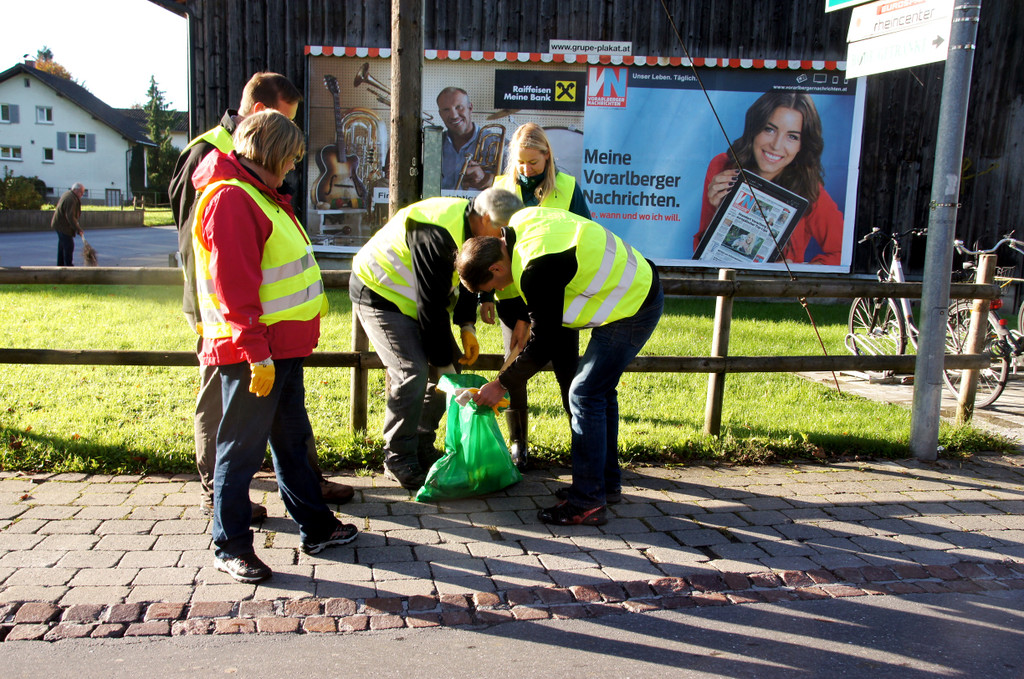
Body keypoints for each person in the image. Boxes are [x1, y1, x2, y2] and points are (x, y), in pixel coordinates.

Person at [168, 72, 353, 519]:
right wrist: (222, 316)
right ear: (260, 118)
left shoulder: (257, 175)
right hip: (232, 319)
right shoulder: (210, 155)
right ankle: (220, 498)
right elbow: (207, 246)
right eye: (283, 124)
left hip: (268, 326)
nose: (290, 166)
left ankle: (305, 492)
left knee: (285, 420)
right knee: (228, 417)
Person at [191, 110, 358, 583]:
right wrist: (254, 351)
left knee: (290, 440)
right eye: (292, 157)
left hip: (276, 348)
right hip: (255, 352)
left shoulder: (258, 195)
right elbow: (234, 287)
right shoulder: (233, 199)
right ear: (277, 153)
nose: (294, 166)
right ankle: (230, 545)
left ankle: (316, 527)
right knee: (239, 449)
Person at [455, 207, 664, 526]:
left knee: (584, 394)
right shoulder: (522, 222)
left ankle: (588, 502)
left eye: (493, 286)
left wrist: (501, 384)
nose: (498, 292)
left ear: (497, 266)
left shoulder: (535, 268)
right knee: (599, 392)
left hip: (634, 304)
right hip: (632, 289)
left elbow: (545, 343)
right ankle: (604, 485)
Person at [350, 189, 524, 489]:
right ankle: (397, 458)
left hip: (417, 302)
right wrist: (444, 368)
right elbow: (431, 309)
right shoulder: (435, 232)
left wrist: (467, 325)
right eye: (501, 231)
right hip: (380, 293)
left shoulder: (473, 229)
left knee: (448, 372)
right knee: (412, 371)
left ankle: (419, 444)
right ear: (485, 219)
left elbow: (471, 275)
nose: (504, 239)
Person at [488, 122, 591, 467]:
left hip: (560, 296)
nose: (525, 170)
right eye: (520, 162)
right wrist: (488, 298)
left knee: (567, 371)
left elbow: (586, 235)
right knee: (515, 362)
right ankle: (519, 444)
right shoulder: (501, 187)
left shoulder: (568, 188)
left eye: (533, 162)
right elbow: (489, 247)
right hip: (515, 295)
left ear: (548, 156)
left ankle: (581, 446)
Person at [693, 91, 843, 265]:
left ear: (802, 145)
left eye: (792, 136)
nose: (776, 145)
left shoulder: (809, 188)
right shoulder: (723, 166)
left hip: (778, 290)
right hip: (724, 281)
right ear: (754, 129)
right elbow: (702, 249)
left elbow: (844, 251)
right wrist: (716, 209)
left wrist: (800, 270)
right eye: (769, 129)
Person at [437, 87, 499, 190]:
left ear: (470, 108)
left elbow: (514, 183)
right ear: (440, 114)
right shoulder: (433, 145)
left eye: (459, 107)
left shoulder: (496, 142)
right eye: (446, 110)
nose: (454, 115)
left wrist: (485, 178)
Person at [51, 183, 84, 266]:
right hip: (62, 226)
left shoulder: (69, 194)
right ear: (75, 190)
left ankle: (60, 265)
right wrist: (78, 229)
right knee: (68, 246)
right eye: (81, 192)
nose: (82, 194)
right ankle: (68, 266)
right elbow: (70, 216)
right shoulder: (71, 199)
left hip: (59, 224)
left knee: (62, 246)